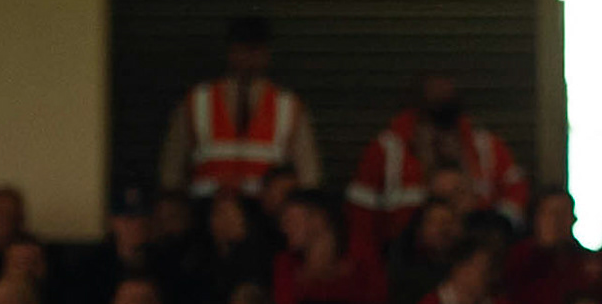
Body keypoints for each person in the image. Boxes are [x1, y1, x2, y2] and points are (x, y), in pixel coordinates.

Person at [347, 73, 529, 250]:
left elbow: (516, 194)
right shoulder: (386, 151)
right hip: (407, 264)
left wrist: (497, 225)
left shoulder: (486, 147)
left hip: (472, 262)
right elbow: (359, 221)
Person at [158, 16, 321, 200]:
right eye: (242, 49)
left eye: (255, 49)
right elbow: (171, 174)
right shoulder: (196, 102)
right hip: (207, 214)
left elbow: (309, 178)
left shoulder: (289, 106)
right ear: (230, 52)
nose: (248, 58)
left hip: (267, 219)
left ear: (266, 53)